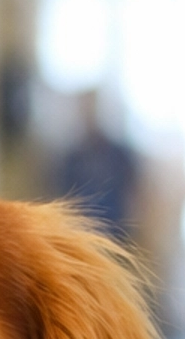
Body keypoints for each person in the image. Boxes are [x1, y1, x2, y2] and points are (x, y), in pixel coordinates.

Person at [45, 90, 143, 247]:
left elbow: (133, 191)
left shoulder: (119, 154)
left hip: (116, 232)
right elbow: (60, 194)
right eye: (85, 108)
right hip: (81, 234)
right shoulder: (73, 157)